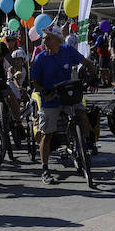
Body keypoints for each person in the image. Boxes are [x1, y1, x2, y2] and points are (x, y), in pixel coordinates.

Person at [31, 26, 95, 184]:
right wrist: (45, 91)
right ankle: (45, 169)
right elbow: (35, 84)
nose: (43, 40)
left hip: (68, 94)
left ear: (58, 39)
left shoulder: (67, 50)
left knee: (82, 113)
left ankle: (87, 145)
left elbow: (88, 63)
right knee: (47, 134)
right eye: (43, 37)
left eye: (47, 37)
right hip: (50, 98)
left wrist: (93, 77)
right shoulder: (40, 58)